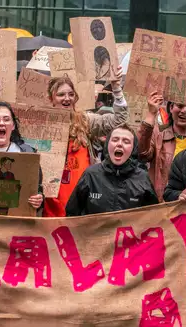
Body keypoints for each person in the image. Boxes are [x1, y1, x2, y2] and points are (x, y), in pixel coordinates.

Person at [43, 66, 128, 217]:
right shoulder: (40, 125)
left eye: (70, 94)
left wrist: (116, 88)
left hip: (81, 199)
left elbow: (119, 120)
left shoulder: (85, 120)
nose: (67, 98)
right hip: (50, 204)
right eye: (61, 94)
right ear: (51, 99)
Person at [66, 125, 158, 216]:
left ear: (133, 148)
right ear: (107, 144)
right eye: (115, 140)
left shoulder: (142, 178)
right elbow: (71, 214)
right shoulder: (91, 175)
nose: (119, 144)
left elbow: (153, 217)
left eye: (126, 141)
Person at [138, 92, 186, 201]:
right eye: (180, 106)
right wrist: (151, 114)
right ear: (171, 108)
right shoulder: (158, 135)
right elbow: (141, 154)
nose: (184, 111)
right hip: (162, 205)